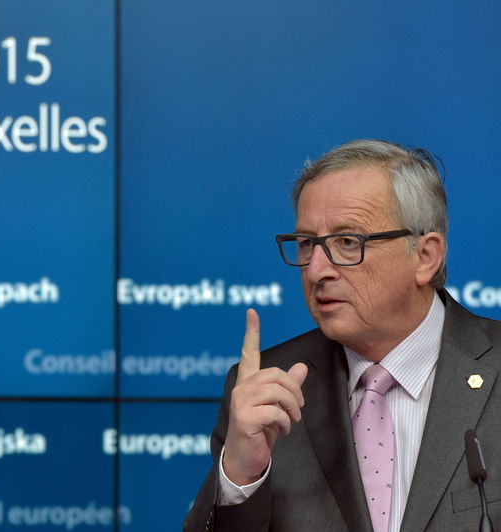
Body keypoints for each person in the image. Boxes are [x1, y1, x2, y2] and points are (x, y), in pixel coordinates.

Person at [184, 139, 501, 532]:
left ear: (425, 256)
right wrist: (241, 479)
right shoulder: (264, 388)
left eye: (348, 242)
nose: (317, 270)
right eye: (306, 244)